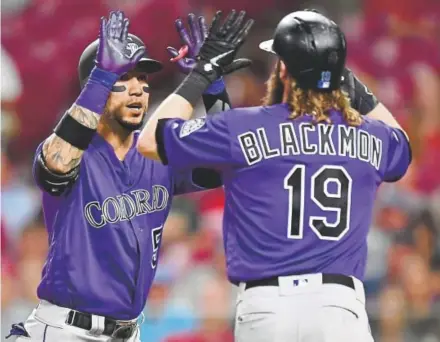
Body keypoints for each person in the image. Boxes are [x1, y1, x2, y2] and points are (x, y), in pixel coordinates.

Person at [137, 9, 412, 342]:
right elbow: (404, 146)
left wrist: (202, 75)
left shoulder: (242, 125)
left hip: (266, 309)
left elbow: (150, 140)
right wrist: (358, 90)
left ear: (283, 69)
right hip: (338, 309)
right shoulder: (371, 134)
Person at [7, 10, 233, 342]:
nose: (138, 90)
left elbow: (227, 160)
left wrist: (212, 83)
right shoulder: (74, 152)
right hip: (65, 330)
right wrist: (101, 78)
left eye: (143, 81)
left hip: (128, 332)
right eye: (123, 80)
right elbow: (55, 165)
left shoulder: (156, 153)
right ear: (96, 87)